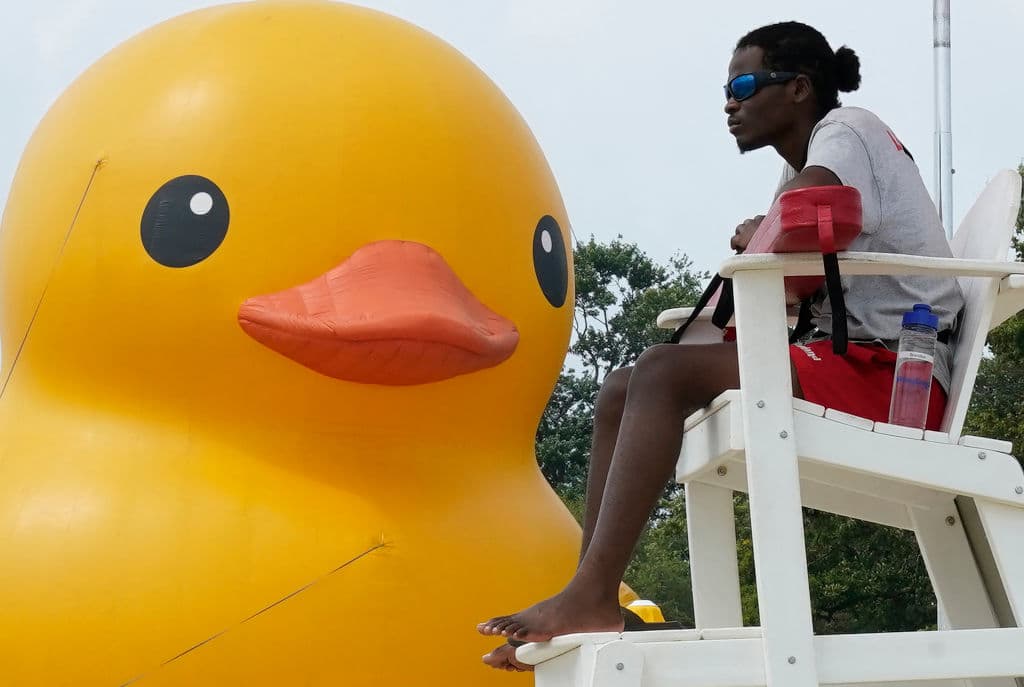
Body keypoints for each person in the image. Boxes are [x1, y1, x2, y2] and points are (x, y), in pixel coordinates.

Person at [478, 21, 964, 671]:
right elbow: (788, 269)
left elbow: (809, 206)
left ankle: (589, 595)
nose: (729, 104)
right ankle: (590, 591)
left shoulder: (847, 131)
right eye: (726, 91)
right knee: (625, 385)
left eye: (743, 86)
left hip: (897, 375)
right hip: (848, 361)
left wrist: (764, 226)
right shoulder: (803, 161)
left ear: (798, 88)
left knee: (663, 373)